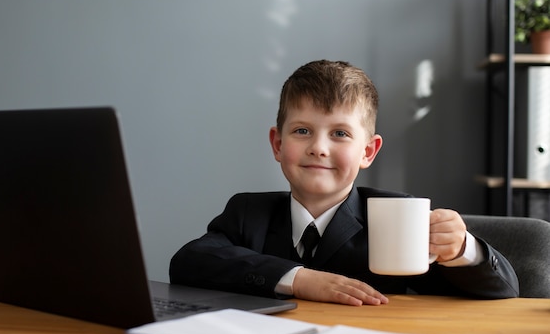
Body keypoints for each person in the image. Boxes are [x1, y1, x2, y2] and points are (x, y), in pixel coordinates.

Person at [169, 60, 519, 306]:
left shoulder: (397, 215)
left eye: (339, 133)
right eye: (302, 131)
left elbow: (505, 289)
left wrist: (462, 250)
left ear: (368, 151)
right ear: (278, 144)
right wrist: (299, 279)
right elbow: (189, 261)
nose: (318, 148)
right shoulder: (247, 212)